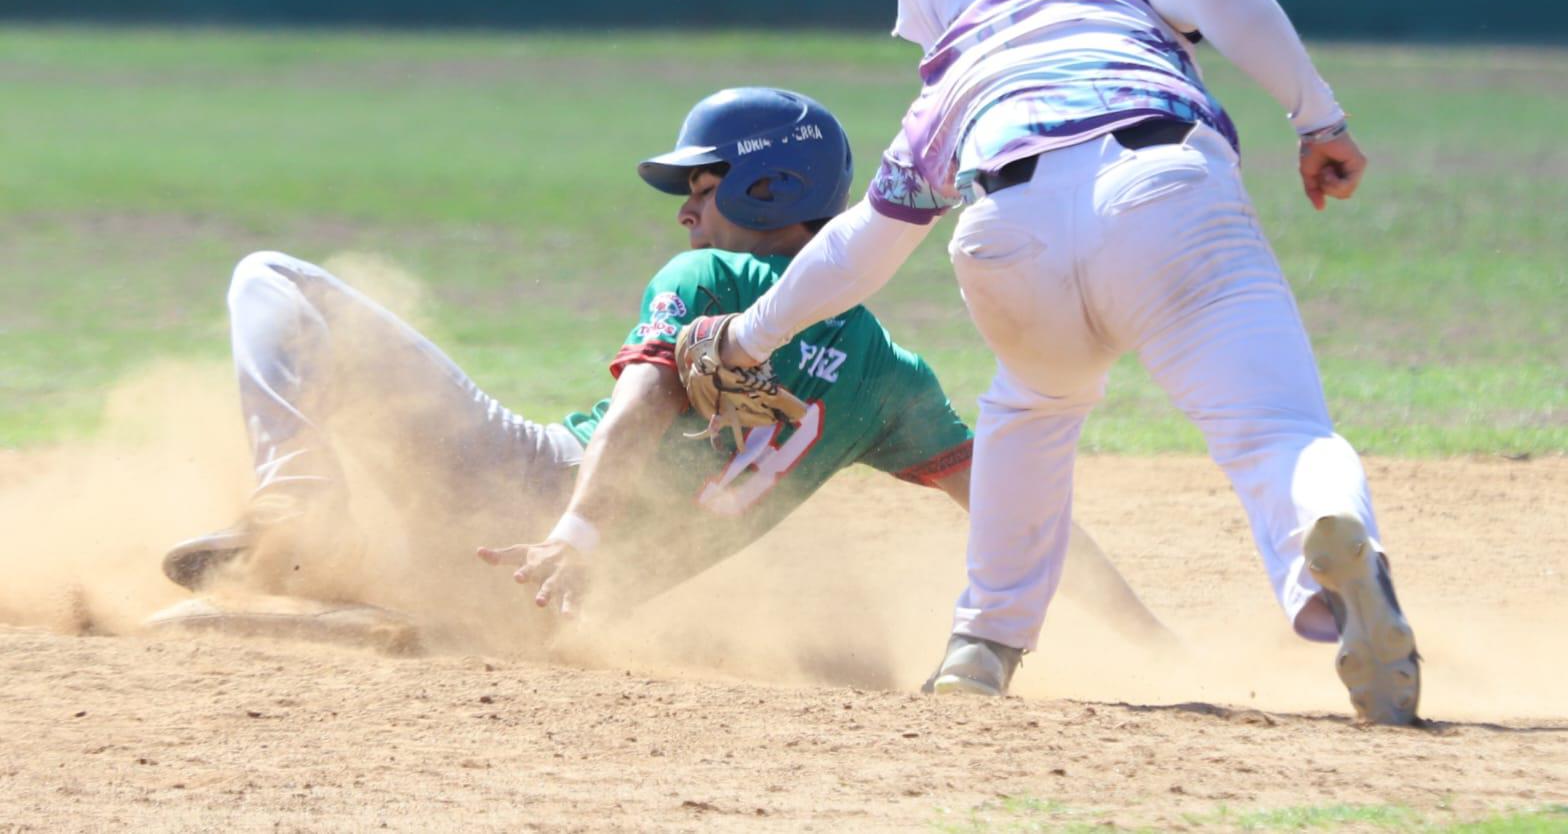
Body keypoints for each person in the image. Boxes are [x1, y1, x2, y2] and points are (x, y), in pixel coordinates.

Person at [698, 0, 1421, 723]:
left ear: (927, 4)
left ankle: (984, 643)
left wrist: (749, 336)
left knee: (1030, 407)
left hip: (1008, 231)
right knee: (1277, 431)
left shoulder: (948, 86)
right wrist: (1317, 118)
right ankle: (1325, 539)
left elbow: (862, 244)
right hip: (1162, 189)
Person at [161, 86, 1166, 649]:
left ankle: (298, 508)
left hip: (532, 498)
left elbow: (643, 397)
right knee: (401, 616)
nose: (685, 206)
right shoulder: (892, 380)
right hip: (562, 601)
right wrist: (1152, 643)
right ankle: (330, 614)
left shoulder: (713, 269)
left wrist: (576, 527)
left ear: (771, 185)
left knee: (272, 276)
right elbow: (1019, 514)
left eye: (702, 181)